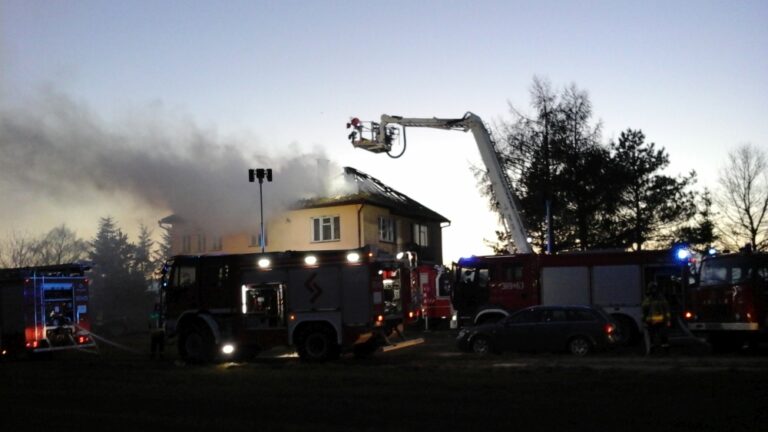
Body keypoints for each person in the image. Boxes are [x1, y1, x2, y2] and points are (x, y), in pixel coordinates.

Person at [642, 282, 671, 354]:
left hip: (658, 321)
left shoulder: (653, 299)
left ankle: (664, 351)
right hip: (654, 321)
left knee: (662, 337)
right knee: (654, 337)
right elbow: (644, 309)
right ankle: (656, 351)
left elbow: (666, 310)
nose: (653, 290)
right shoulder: (653, 299)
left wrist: (667, 320)